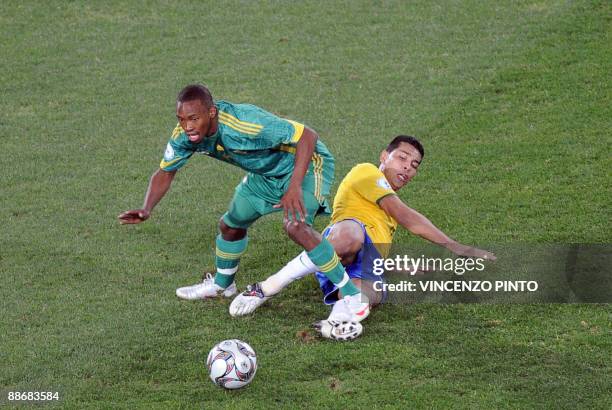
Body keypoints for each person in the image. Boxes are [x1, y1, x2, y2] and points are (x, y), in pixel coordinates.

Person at [118, 84, 369, 316]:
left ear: (212, 113)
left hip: (306, 166)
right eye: (182, 120)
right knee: (230, 225)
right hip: (265, 174)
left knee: (296, 226)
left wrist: (293, 186)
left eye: (194, 119)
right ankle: (222, 286)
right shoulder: (184, 136)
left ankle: (350, 293)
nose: (188, 127)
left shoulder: (245, 123)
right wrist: (146, 208)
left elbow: (308, 136)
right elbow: (165, 172)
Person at [229, 135, 496, 340]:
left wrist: (432, 269)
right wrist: (455, 246)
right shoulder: (367, 172)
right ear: (384, 155)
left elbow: (379, 261)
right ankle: (266, 287)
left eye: (414, 165)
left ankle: (335, 323)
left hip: (360, 265)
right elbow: (406, 216)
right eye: (402, 158)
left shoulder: (387, 216)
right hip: (337, 245)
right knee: (352, 235)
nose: (408, 168)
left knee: (369, 294)